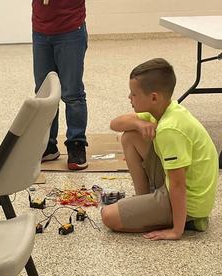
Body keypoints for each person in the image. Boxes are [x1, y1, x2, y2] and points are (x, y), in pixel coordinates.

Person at [101, 58, 218, 241]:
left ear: (153, 97)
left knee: (108, 216)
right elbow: (115, 123)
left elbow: (178, 185)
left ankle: (186, 221)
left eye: (134, 94)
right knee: (131, 136)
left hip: (187, 202)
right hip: (176, 186)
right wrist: (138, 122)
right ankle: (145, 200)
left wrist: (176, 231)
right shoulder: (165, 109)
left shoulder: (169, 129)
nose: (129, 98)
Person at [32, 0, 88, 170]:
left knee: (72, 93)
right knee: (45, 93)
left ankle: (76, 144)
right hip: (41, 30)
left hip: (70, 29)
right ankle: (48, 145)